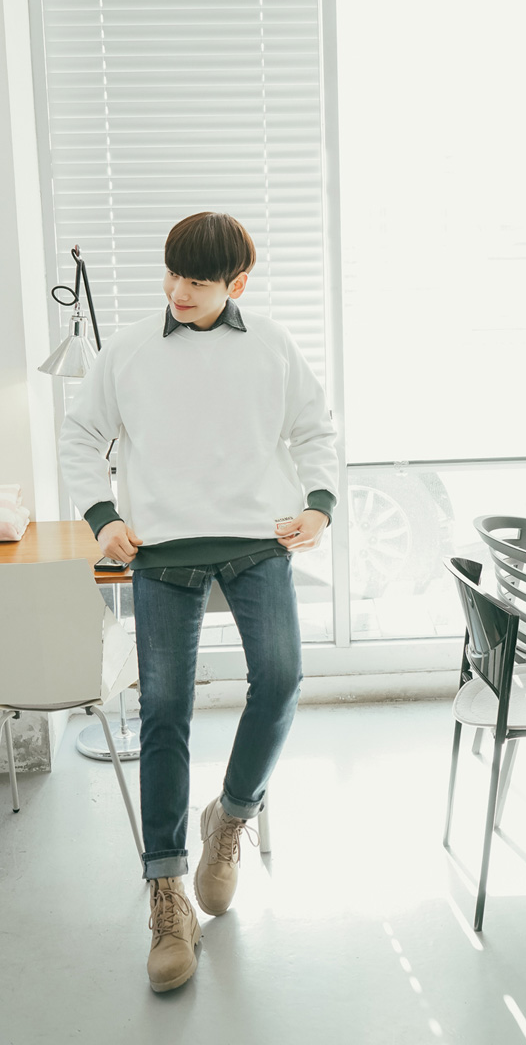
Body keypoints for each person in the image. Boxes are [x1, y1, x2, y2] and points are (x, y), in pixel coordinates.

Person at [58, 208, 337, 994]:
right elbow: (80, 437)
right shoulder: (130, 350)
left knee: (280, 680)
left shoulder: (272, 345)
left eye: (197, 282)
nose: (178, 291)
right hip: (161, 550)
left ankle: (232, 818)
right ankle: (166, 893)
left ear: (235, 285)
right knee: (164, 710)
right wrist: (103, 516)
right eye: (172, 274)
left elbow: (315, 430)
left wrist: (319, 504)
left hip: (257, 540)